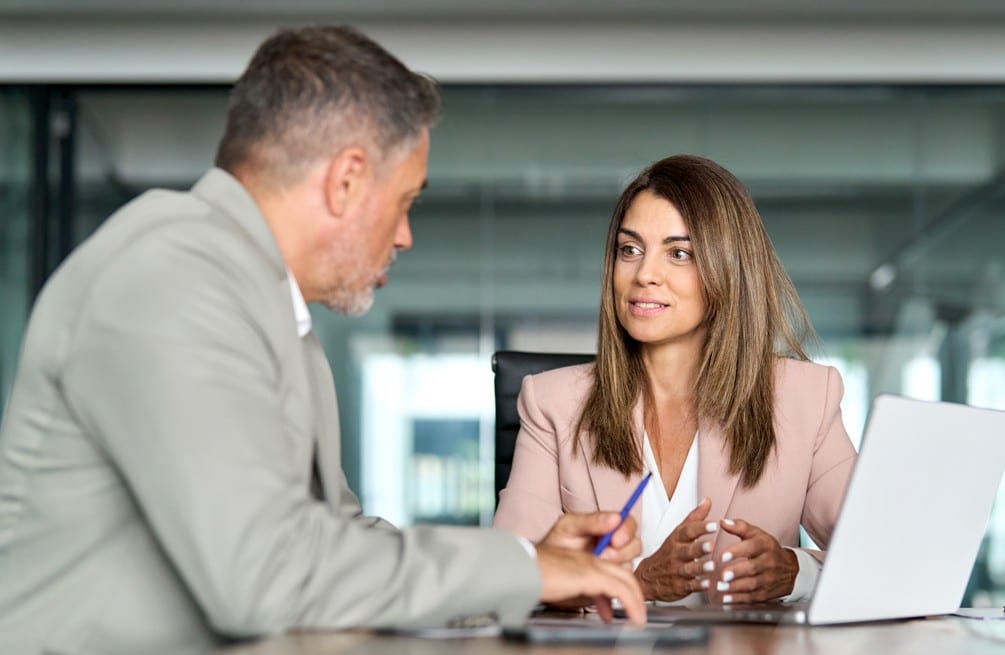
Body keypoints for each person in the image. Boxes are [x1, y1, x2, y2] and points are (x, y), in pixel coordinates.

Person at [0, 25, 646, 655]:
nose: (404, 236)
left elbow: (333, 539)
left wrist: (531, 566)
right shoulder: (169, 277)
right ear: (345, 181)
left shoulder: (273, 312)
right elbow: (267, 573)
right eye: (404, 201)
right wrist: (519, 567)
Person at [494, 154, 857, 605]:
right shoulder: (552, 403)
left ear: (729, 269)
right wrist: (641, 582)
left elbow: (882, 560)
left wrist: (794, 572)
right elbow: (508, 578)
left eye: (679, 253)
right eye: (630, 250)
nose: (645, 274)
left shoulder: (806, 398)